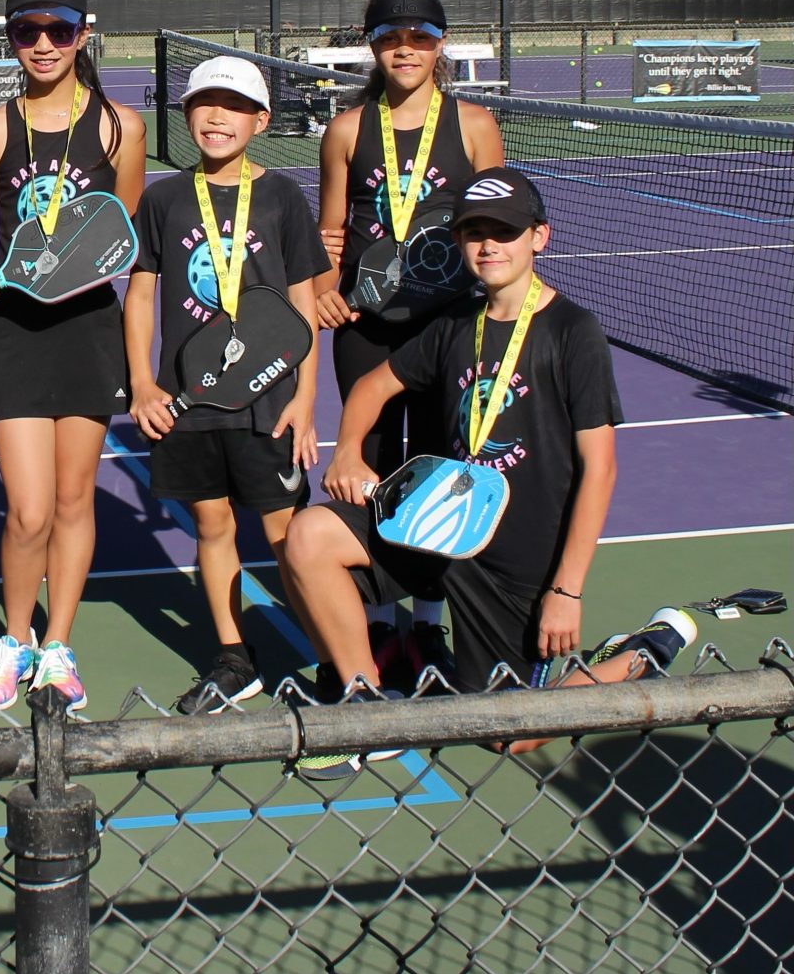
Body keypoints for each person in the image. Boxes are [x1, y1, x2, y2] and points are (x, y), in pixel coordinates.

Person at [283, 167, 692, 776]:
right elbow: (372, 385)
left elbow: (599, 470)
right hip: (439, 524)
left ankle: (635, 656)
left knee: (508, 737)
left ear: (540, 237)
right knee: (307, 537)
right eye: (474, 232)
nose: (488, 245)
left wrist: (566, 590)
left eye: (504, 231)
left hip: (515, 562)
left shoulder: (572, 332)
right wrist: (347, 452)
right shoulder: (454, 324)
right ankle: (366, 706)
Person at [0, 0, 146, 715]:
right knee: (27, 510)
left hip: (88, 331)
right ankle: (14, 639)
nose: (42, 44)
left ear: (81, 35)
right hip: (19, 333)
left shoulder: (121, 127)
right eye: (27, 31)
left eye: (58, 30)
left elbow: (121, 237)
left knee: (71, 499)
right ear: (12, 39)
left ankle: (57, 646)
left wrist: (67, 265)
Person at [312, 0, 503, 690]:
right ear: (372, 47)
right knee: (371, 467)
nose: (406, 50)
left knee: (438, 466)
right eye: (392, 39)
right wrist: (329, 290)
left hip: (449, 328)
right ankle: (376, 622)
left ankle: (427, 621)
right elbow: (331, 234)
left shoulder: (475, 124)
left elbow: (496, 221)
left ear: (439, 45)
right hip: (366, 329)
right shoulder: (347, 129)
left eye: (420, 38)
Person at [125, 56, 328, 715]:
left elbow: (302, 301)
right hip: (191, 396)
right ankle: (234, 656)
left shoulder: (282, 197)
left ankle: (333, 659)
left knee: (285, 536)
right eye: (204, 104)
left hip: (270, 396)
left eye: (234, 106)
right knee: (211, 525)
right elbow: (141, 294)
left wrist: (305, 399)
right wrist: (142, 385)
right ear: (186, 115)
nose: (217, 117)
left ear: (261, 120)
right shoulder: (163, 198)